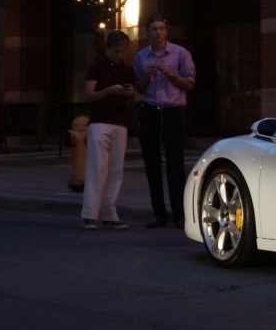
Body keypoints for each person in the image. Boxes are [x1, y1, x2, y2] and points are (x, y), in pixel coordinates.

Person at [133, 13, 196, 229]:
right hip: (150, 111)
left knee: (175, 164)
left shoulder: (180, 53)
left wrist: (171, 75)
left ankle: (179, 213)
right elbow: (138, 89)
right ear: (147, 33)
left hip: (172, 112)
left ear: (166, 31)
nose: (158, 32)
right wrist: (147, 78)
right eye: (153, 29)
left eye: (161, 28)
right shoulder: (141, 56)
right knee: (152, 164)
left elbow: (189, 84)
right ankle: (158, 212)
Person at [80, 30, 136, 231]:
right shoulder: (97, 67)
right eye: (115, 51)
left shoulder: (127, 70)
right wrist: (110, 90)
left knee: (115, 170)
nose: (119, 56)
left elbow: (135, 95)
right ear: (107, 49)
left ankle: (109, 213)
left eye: (122, 52)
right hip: (100, 121)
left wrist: (130, 93)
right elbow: (89, 95)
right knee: (97, 167)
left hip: (120, 122)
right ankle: (89, 214)